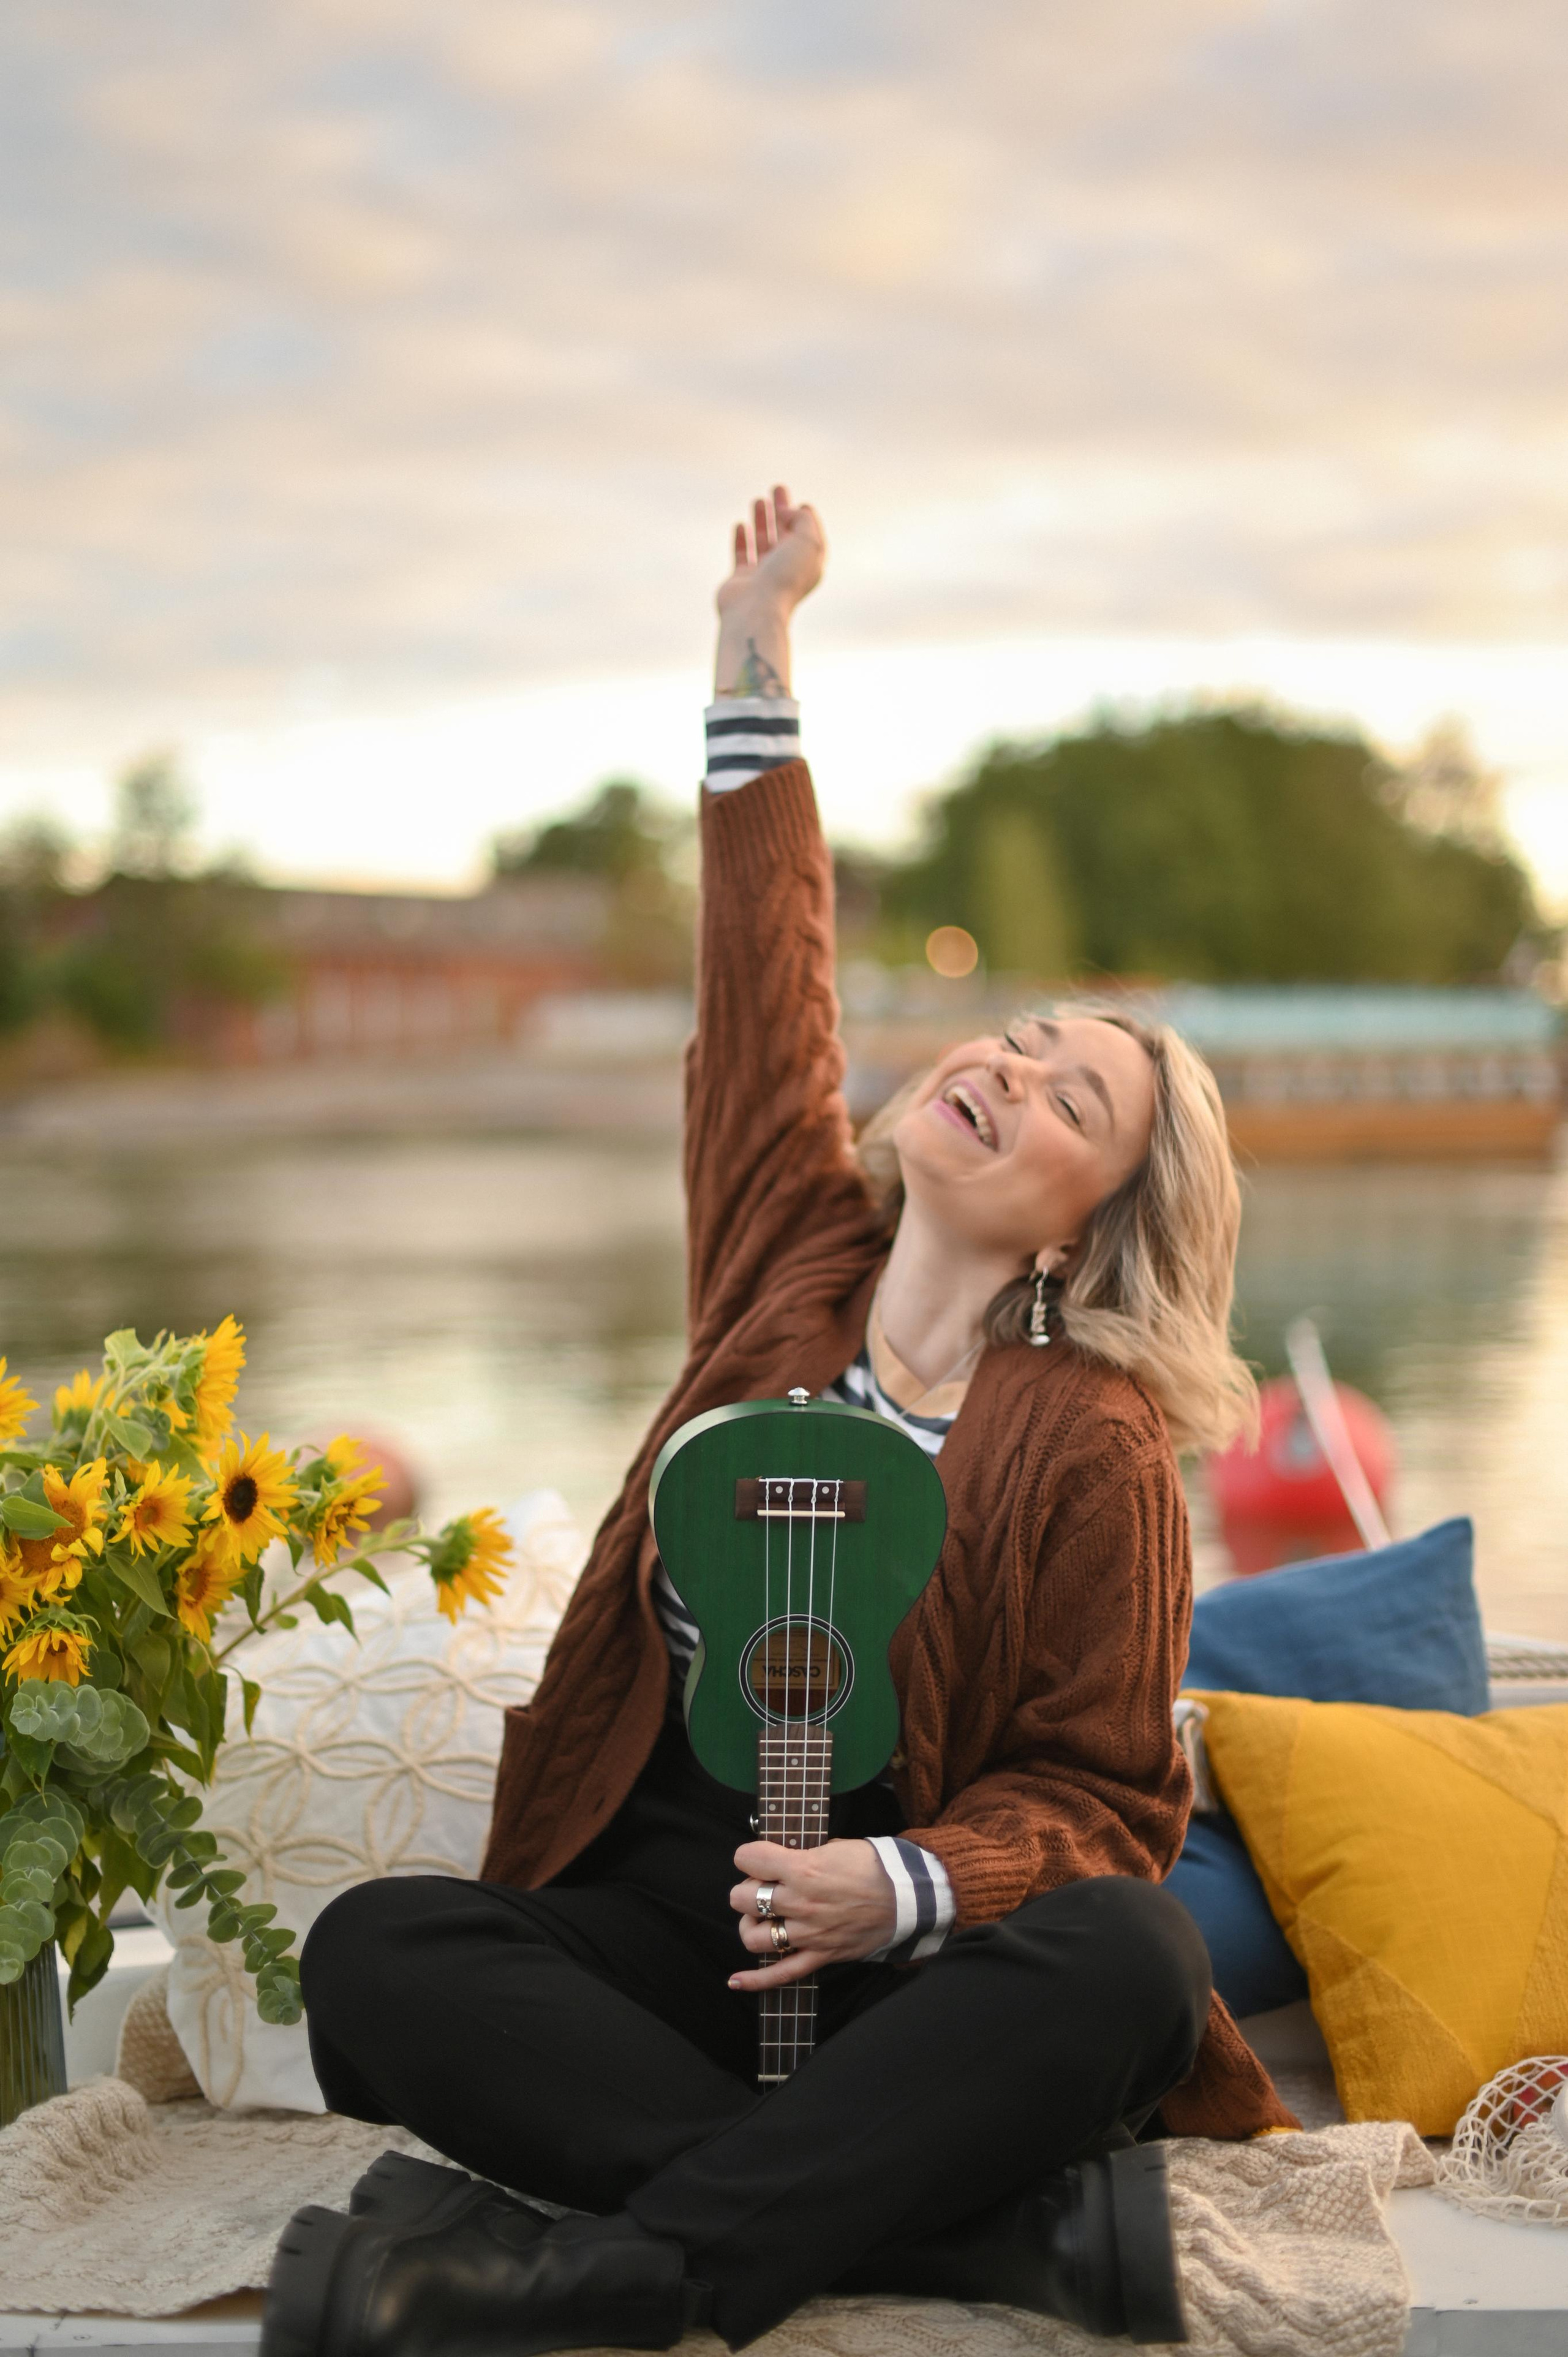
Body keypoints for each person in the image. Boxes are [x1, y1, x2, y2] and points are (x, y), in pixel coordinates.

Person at [265, 489, 1296, 2357]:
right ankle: (962, 2237)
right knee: (375, 1961)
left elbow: (1106, 1807)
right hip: (676, 1914)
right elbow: (767, 983)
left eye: (1070, 1095)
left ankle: (615, 2280)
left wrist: (897, 1885)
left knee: (1132, 1960)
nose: (1000, 1064)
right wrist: (757, 639)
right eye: (1013, 1040)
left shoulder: (1096, 1446)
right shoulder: (786, 1254)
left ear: (1090, 1221)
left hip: (919, 1963)